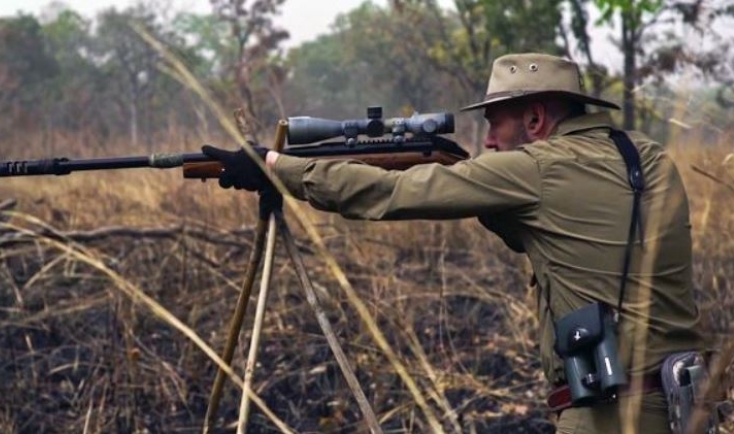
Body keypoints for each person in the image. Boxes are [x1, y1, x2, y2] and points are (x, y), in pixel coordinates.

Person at [202, 53, 707, 433]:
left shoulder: (534, 168)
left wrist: (275, 165)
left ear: (534, 120)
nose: (488, 142)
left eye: (494, 124)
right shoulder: (647, 156)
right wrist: (481, 187)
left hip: (607, 414)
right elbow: (562, 235)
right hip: (685, 402)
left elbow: (390, 193)